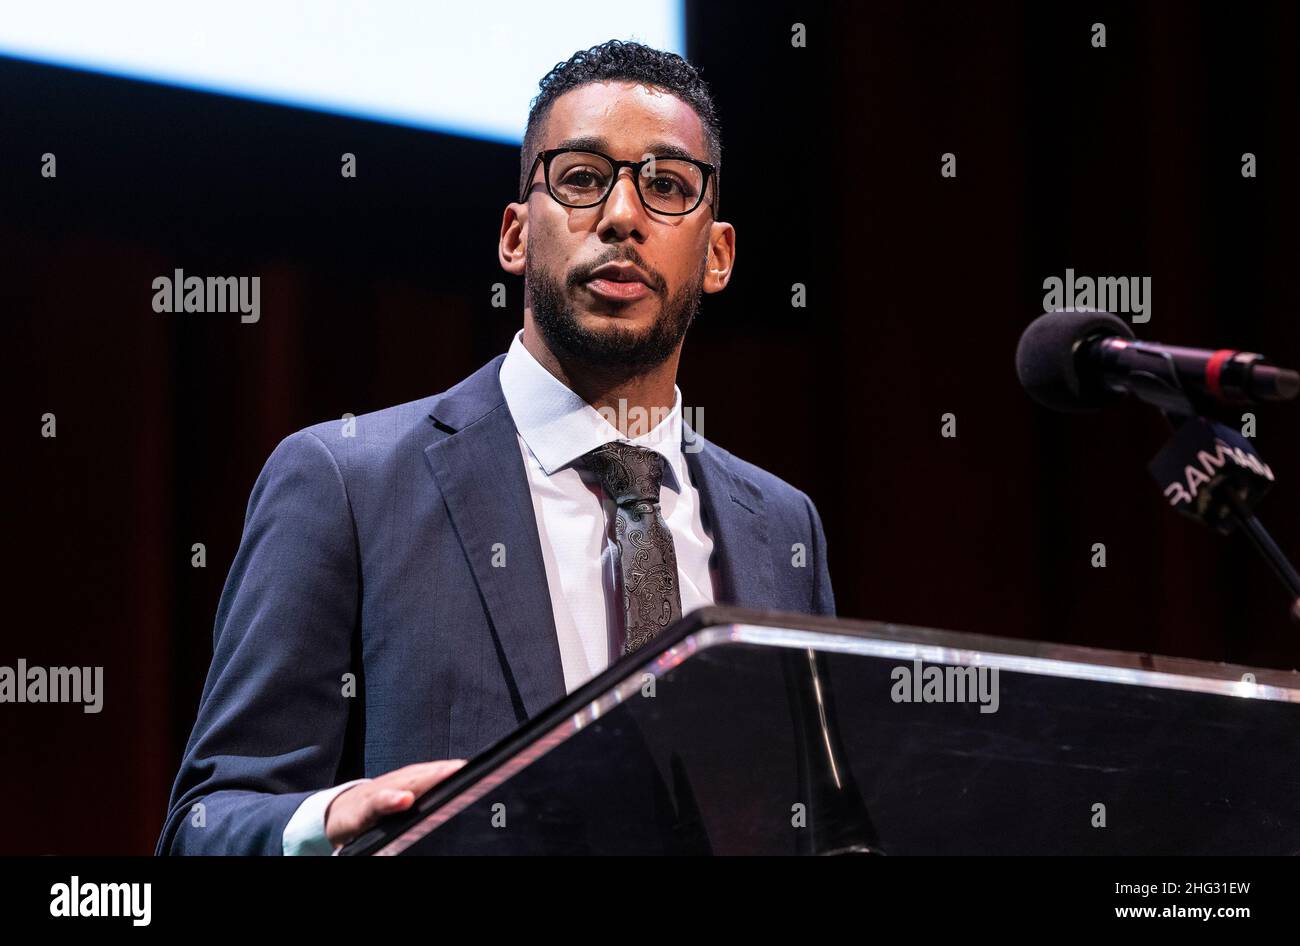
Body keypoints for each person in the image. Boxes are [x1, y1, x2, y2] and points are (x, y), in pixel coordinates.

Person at [157, 39, 835, 856]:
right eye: (582, 178)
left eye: (666, 187)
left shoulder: (784, 526)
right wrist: (328, 824)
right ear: (515, 236)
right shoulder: (345, 484)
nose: (622, 216)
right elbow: (206, 826)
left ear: (718, 254)